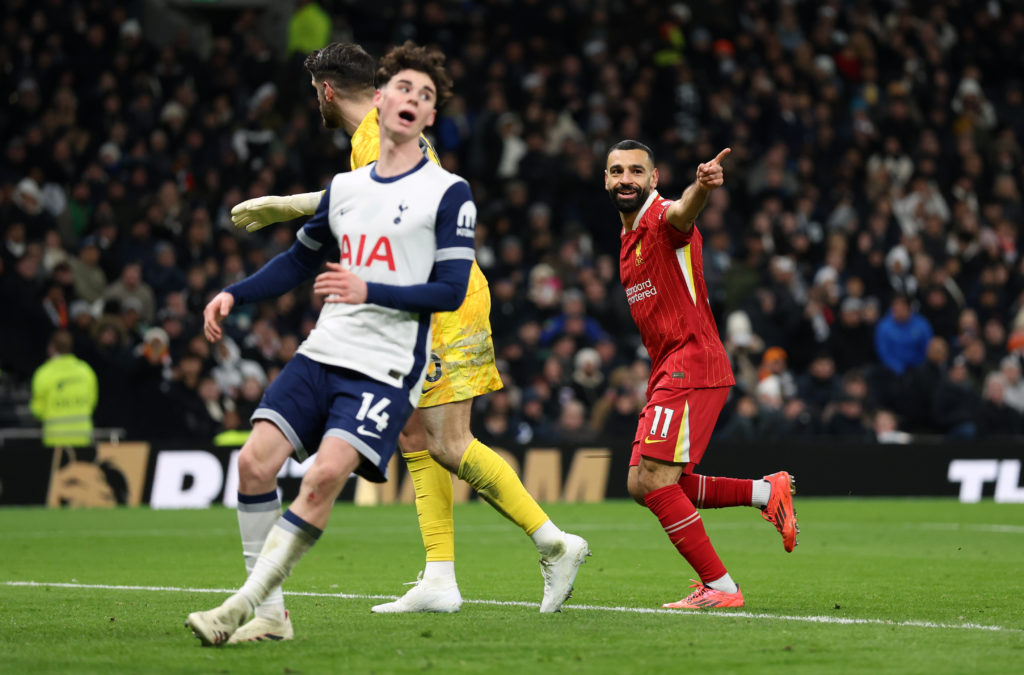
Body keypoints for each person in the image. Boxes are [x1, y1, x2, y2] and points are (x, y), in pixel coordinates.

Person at [192, 43, 587, 646]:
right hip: (415, 304)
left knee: (450, 445)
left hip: (441, 305)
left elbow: (378, 201)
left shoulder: (377, 135)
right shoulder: (368, 142)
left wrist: (284, 207)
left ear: (326, 91)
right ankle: (439, 575)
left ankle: (554, 542)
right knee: (412, 437)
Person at [604, 139, 798, 610]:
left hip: (692, 363)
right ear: (606, 181)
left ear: (653, 179)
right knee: (640, 484)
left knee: (655, 480)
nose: (625, 179)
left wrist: (701, 186)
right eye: (615, 172)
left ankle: (722, 587)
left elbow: (682, 214)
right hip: (668, 368)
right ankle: (764, 491)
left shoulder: (661, 215)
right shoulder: (627, 235)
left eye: (635, 171)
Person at [30, 329, 98, 447]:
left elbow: (37, 409)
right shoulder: (85, 370)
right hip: (82, 435)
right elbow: (92, 401)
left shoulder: (44, 373)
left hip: (55, 437)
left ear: (51, 347)